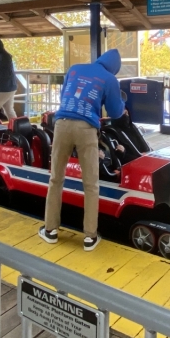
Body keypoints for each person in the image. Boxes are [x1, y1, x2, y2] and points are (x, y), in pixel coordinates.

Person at [39, 49, 125, 252]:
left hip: (61, 123)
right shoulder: (110, 79)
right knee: (91, 183)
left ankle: (50, 230)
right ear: (115, 68)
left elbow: (64, 96)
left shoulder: (75, 69)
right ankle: (90, 237)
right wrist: (123, 101)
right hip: (86, 129)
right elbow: (115, 111)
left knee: (56, 178)